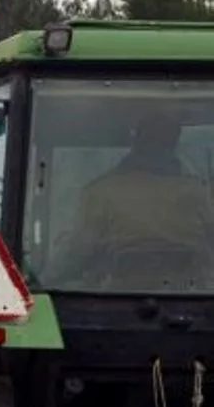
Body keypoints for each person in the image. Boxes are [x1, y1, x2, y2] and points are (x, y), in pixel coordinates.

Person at [51, 114, 214, 288]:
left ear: (136, 141)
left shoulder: (102, 192)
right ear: (174, 143)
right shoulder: (198, 192)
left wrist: (47, 280)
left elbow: (78, 252)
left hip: (112, 301)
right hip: (191, 300)